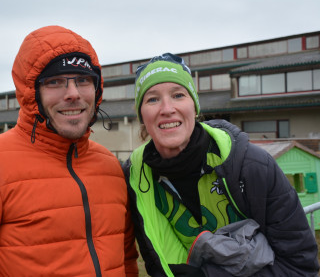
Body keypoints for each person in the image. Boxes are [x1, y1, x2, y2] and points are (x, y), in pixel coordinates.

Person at [0, 25, 139, 276]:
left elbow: (126, 260)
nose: (73, 94)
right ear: (30, 91)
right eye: (55, 82)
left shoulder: (110, 167)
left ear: (97, 89)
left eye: (83, 80)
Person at [123, 53, 319, 276]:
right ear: (142, 115)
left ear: (194, 107)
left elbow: (300, 266)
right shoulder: (136, 180)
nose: (167, 108)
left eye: (178, 95)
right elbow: (155, 262)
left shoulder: (253, 166)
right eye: (152, 99)